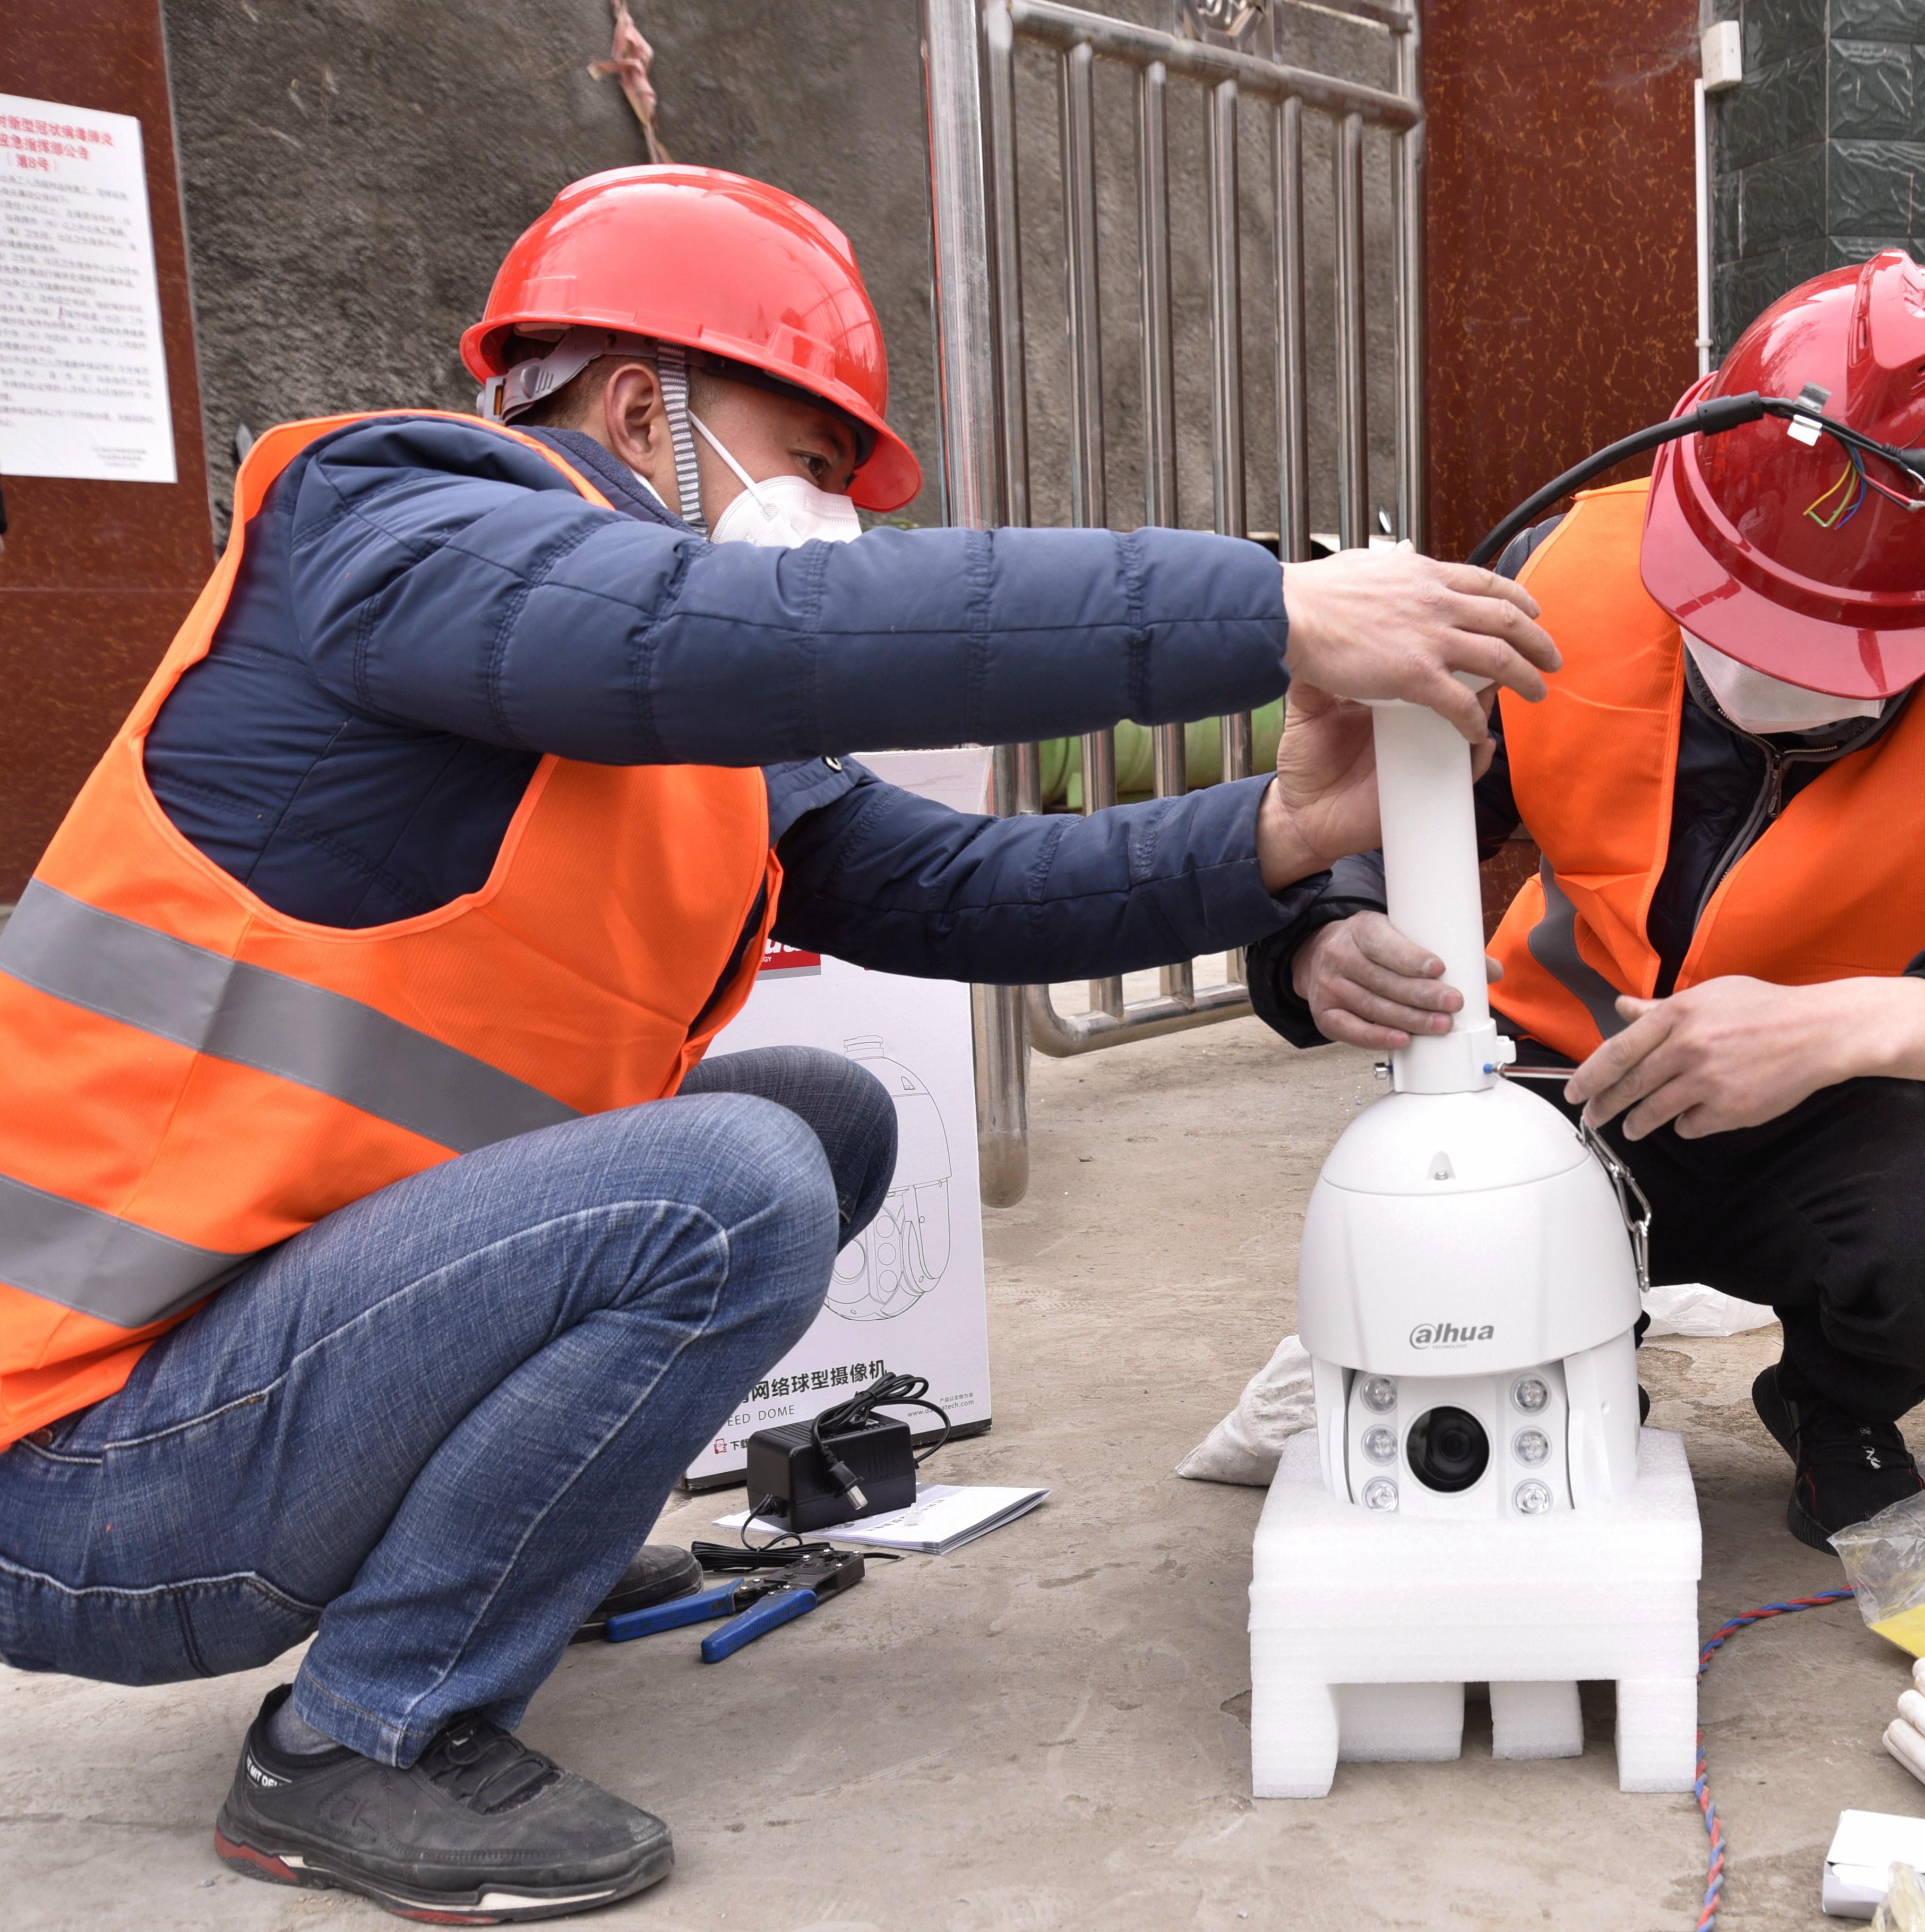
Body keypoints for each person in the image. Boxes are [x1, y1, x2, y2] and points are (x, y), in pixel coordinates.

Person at [0, 165, 1558, 1922]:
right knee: (728, 1184)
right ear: (639, 407)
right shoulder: (391, 534)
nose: (827, 520)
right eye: (811, 467)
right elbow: (733, 633)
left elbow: (960, 893)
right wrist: (1259, 612)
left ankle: (512, 1557)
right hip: (79, 1470)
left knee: (813, 1123)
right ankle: (364, 1738)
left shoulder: (663, 694)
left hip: (267, 1377)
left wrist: (1272, 839)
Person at [1250, 252, 1925, 1555]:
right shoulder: (1567, 572)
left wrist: (1843, 1026)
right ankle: (1581, 1378)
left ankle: (1832, 1406)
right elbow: (1377, 803)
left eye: (1831, 650)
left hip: (1838, 1115)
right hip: (1568, 1079)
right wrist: (1323, 925)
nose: (1770, 668)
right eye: (1741, 617)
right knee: (1447, 1251)